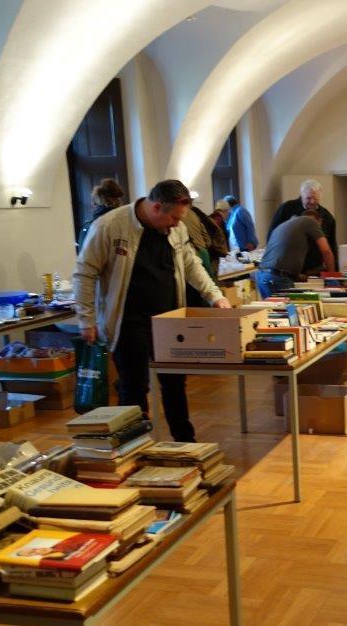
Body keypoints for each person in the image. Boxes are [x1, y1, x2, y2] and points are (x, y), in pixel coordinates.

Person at [74, 179, 230, 443]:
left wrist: (215, 296)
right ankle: (133, 447)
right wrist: (86, 319)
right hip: (128, 321)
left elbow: (192, 265)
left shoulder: (176, 229)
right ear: (157, 207)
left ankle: (185, 443)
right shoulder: (110, 226)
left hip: (168, 320)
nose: (177, 224)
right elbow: (85, 273)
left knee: (175, 384)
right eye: (174, 218)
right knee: (134, 387)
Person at [256, 210, 335, 298]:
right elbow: (326, 252)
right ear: (319, 221)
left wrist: (297, 275)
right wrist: (332, 279)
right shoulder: (311, 221)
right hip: (278, 278)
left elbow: (282, 257)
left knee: (274, 307)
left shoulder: (286, 224)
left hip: (262, 275)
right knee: (291, 306)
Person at [267, 180, 338, 274]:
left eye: (315, 198)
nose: (312, 202)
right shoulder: (287, 208)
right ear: (301, 195)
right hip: (287, 265)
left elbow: (331, 246)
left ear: (320, 197)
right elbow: (272, 235)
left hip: (314, 266)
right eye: (308, 198)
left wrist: (334, 273)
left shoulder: (327, 217)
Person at [76, 178, 125, 253]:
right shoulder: (127, 224)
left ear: (95, 204)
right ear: (118, 202)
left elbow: (84, 256)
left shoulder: (89, 227)